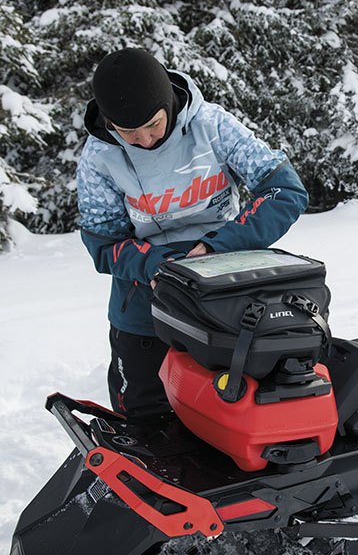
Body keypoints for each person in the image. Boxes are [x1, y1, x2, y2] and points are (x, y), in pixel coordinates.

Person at [76, 48, 308, 417]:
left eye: (153, 124)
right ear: (110, 123)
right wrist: (159, 266)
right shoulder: (100, 155)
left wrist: (219, 247)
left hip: (226, 286)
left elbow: (285, 191)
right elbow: (103, 241)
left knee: (239, 403)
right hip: (144, 299)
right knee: (143, 415)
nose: (146, 140)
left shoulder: (212, 125)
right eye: (129, 133)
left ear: (167, 101)